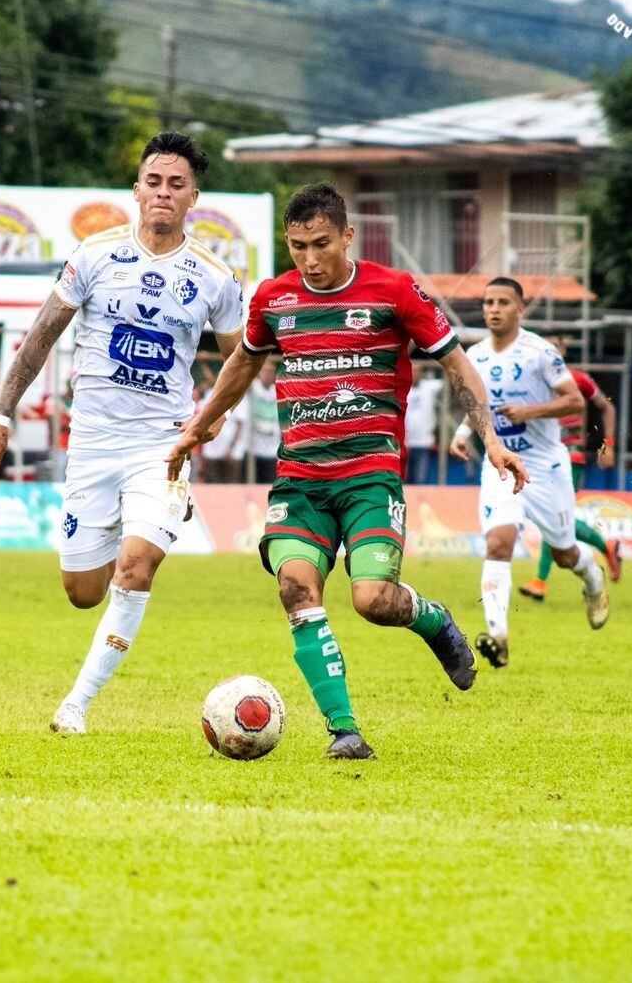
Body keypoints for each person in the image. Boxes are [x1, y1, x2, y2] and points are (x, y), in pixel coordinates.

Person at [167, 182, 526, 760]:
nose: (310, 259)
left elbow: (457, 364)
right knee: (295, 588)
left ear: (348, 236)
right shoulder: (274, 299)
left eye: (322, 244)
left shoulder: (393, 290)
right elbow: (243, 362)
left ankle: (432, 620)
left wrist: (492, 439)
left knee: (372, 601)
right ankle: (345, 731)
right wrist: (202, 423)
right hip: (300, 482)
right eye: (298, 246)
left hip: (369, 478)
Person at [0, 132, 246, 736]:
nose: (163, 193)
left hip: (162, 445)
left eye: (176, 185)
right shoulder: (95, 254)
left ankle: (76, 705)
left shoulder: (215, 276)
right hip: (92, 443)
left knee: (137, 567)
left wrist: (217, 413)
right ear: (137, 189)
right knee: (82, 592)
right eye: (154, 181)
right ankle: (128, 527)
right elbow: (40, 337)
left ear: (193, 196)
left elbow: (242, 356)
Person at [447, 278, 612, 670]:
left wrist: (530, 412)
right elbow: (478, 403)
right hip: (501, 463)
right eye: (488, 302)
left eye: (504, 302)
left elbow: (574, 400)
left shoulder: (540, 352)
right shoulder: (476, 356)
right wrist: (462, 432)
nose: (494, 309)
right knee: (499, 543)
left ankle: (594, 582)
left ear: (520, 309)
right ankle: (498, 635)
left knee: (564, 551)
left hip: (545, 468)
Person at [517, 358, 622, 603]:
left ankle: (540, 581)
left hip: (569, 457)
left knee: (552, 516)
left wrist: (609, 444)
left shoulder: (576, 379)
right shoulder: (528, 380)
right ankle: (605, 545)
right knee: (552, 515)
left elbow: (608, 407)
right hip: (540, 458)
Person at [404, 369, 443, 484]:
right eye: (411, 372)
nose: (414, 375)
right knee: (404, 479)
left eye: (416, 372)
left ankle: (419, 501)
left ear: (422, 374)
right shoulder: (403, 388)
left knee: (420, 479)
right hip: (405, 442)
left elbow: (448, 379)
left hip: (423, 441)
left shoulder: (428, 387)